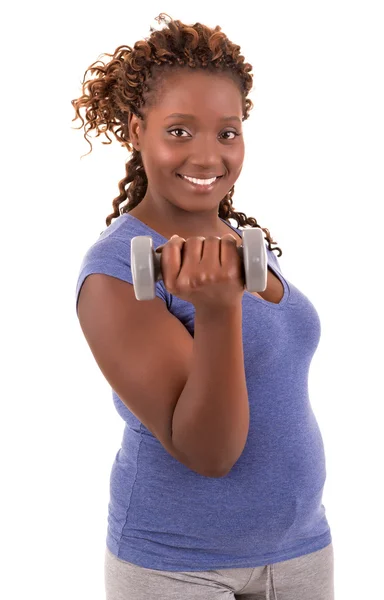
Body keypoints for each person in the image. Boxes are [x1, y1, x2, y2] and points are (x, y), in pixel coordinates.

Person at [72, 13, 334, 600]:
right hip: (178, 566)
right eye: (180, 131)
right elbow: (209, 453)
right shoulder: (115, 274)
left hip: (301, 548)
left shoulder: (240, 241)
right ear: (138, 130)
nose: (209, 156)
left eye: (228, 131)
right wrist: (218, 314)